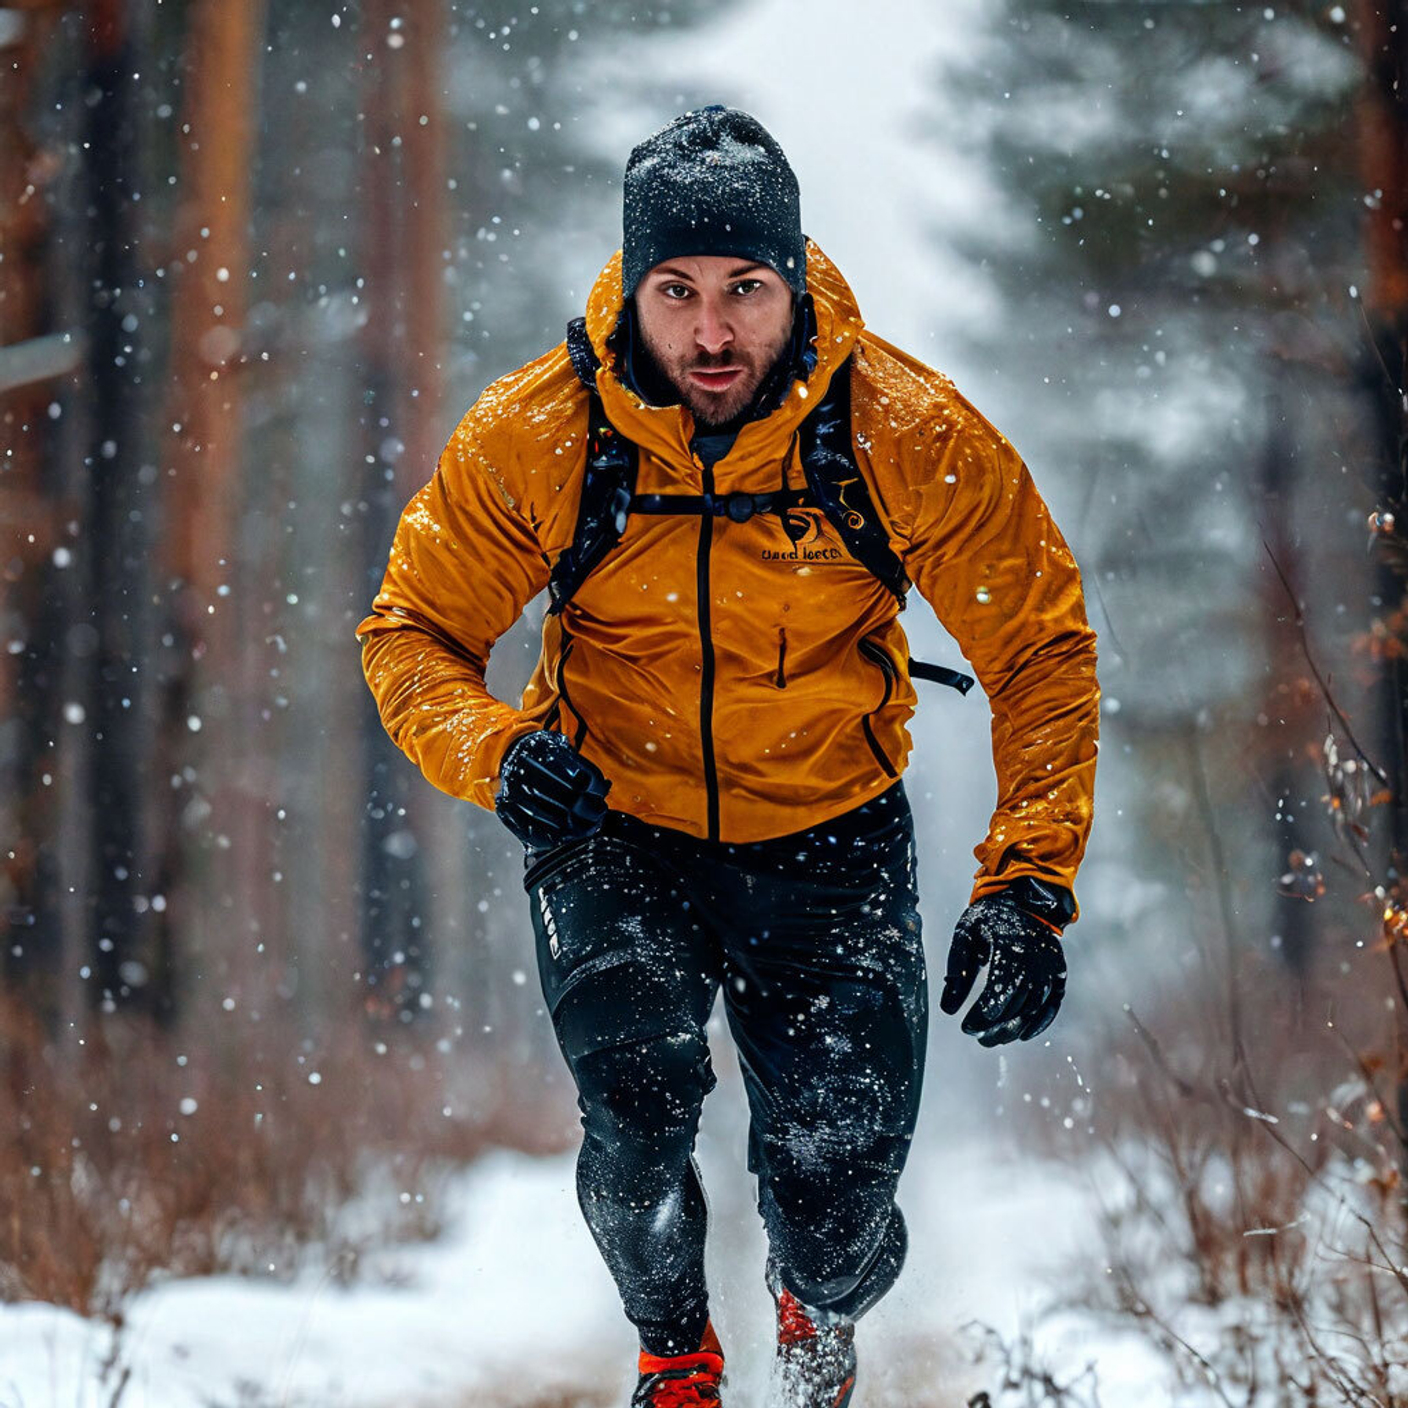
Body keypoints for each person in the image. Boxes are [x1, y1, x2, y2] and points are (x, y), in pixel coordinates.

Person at [356, 105, 1100, 1408]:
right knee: (636, 1125)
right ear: (632, 290)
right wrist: (494, 751)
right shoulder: (543, 433)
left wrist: (1028, 878)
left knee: (838, 1174)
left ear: (794, 280)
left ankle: (822, 1301)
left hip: (832, 830)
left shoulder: (901, 430)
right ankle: (678, 1359)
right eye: (679, 293)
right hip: (612, 823)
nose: (712, 334)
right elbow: (410, 631)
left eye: (747, 292)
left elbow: (1040, 646)